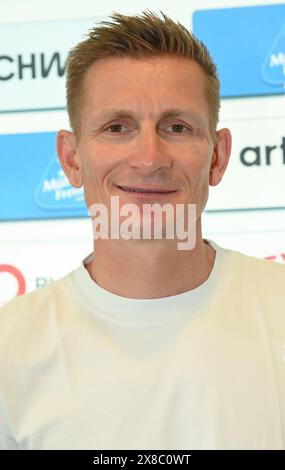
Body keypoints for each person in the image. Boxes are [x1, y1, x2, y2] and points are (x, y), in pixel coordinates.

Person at [0, 10, 284, 451]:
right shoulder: (8, 350)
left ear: (217, 157)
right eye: (117, 127)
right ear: (72, 159)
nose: (149, 157)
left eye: (176, 127)